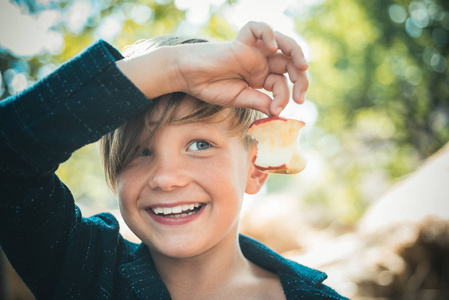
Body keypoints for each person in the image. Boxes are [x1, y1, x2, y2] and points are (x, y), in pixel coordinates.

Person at [0, 21, 347, 299]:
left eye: (199, 145)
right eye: (140, 151)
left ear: (255, 170)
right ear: (113, 175)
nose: (166, 178)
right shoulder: (84, 270)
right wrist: (172, 70)